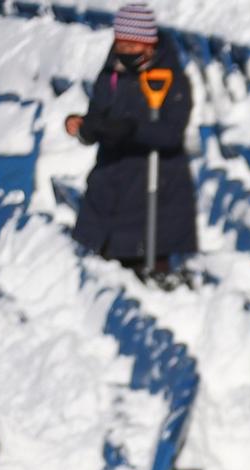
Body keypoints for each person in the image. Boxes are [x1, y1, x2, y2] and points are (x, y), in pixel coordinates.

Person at [65, 3, 197, 285]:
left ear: (149, 44)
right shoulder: (111, 74)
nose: (125, 51)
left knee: (146, 243)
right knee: (106, 256)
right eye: (121, 44)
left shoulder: (172, 78)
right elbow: (98, 114)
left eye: (132, 46)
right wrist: (85, 127)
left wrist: (132, 129)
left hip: (155, 179)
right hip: (112, 176)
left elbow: (172, 133)